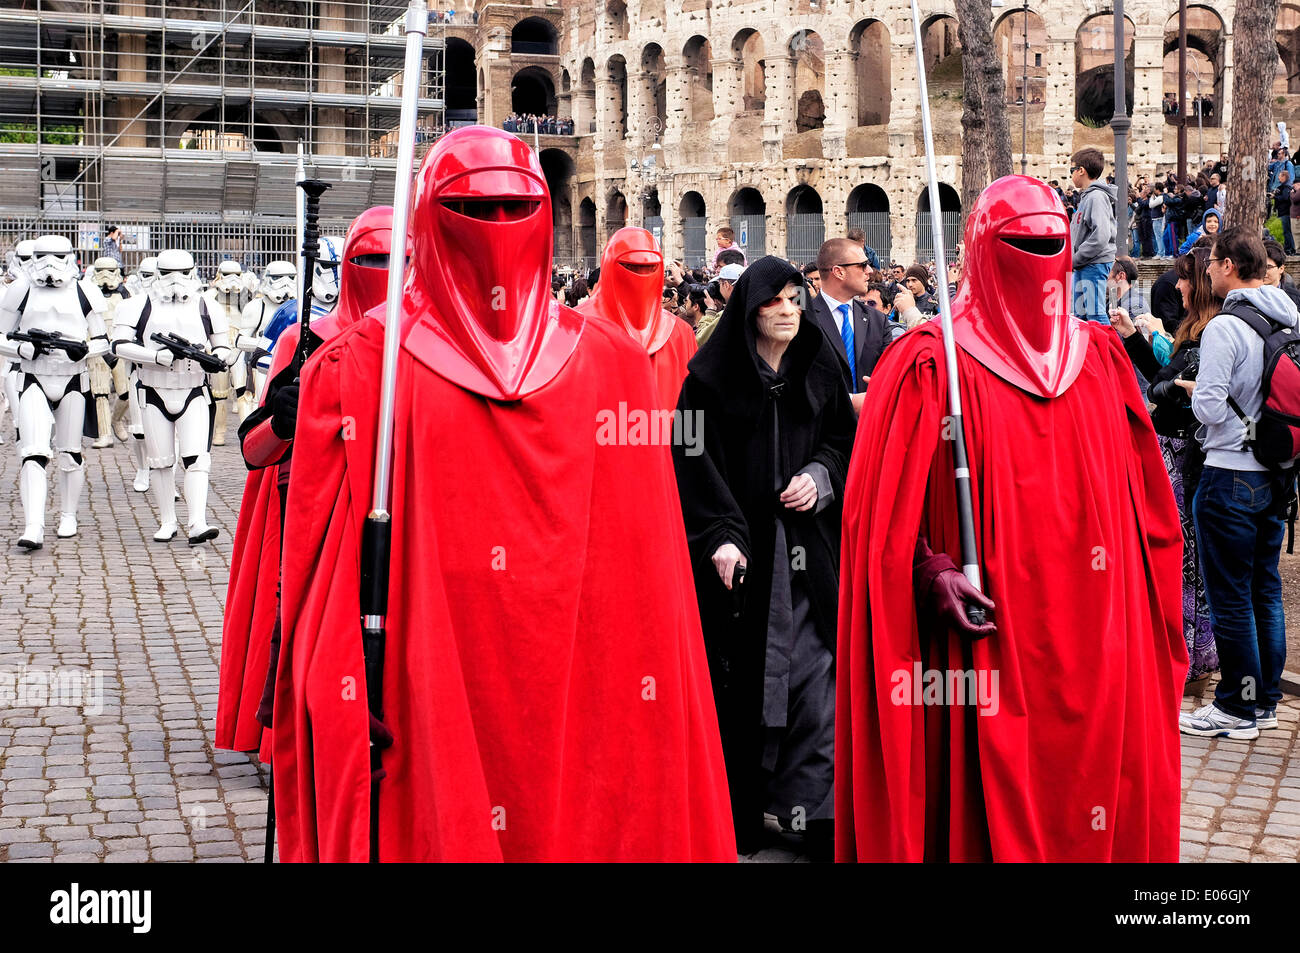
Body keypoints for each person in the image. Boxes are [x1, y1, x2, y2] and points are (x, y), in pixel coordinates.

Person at [271, 126, 735, 862]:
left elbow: (645, 570)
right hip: (425, 670)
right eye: (473, 211)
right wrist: (341, 681)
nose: (495, 230)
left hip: (585, 676)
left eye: (513, 209)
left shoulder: (609, 365)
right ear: (432, 216)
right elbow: (321, 573)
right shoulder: (363, 365)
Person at [837, 175, 1186, 862]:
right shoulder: (927, 366)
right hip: (981, 643)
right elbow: (875, 524)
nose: (1037, 258)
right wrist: (928, 568)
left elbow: (1151, 519)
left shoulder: (1102, 363)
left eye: (1049, 244)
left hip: (1095, 645)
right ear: (979, 250)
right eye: (1020, 243)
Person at [672, 255, 855, 858]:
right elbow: (693, 462)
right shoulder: (707, 380)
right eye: (774, 301)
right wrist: (722, 532)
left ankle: (813, 812)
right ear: (749, 311)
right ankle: (743, 809)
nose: (788, 310)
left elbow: (839, 441)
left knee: (814, 674)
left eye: (795, 298)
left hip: (811, 552)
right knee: (747, 680)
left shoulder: (821, 363)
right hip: (745, 560)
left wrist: (820, 475)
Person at [217, 206, 394, 760]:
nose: (386, 269)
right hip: (311, 514)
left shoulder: (425, 343)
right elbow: (253, 449)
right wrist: (285, 417)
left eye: (400, 259)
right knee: (301, 635)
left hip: (395, 513)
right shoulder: (306, 338)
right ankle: (292, 741)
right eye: (372, 259)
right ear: (346, 266)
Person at [1180, 226, 1298, 740]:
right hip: (1276, 474)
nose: (1206, 270)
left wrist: (1190, 390)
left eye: (1211, 262)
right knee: (1263, 589)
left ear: (1229, 265)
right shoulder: (1287, 317)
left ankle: (1235, 708)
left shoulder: (1227, 327)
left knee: (1230, 596)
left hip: (1230, 472)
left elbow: (1208, 404)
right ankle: (1264, 701)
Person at [1111, 247, 1222, 685]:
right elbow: (1162, 376)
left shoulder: (1208, 333)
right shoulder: (1192, 329)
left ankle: (1192, 653)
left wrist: (1166, 387)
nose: (1177, 286)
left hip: (1183, 455)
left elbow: (1167, 389)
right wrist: (1133, 339)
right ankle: (1194, 650)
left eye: (1183, 279)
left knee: (1185, 554)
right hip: (1173, 451)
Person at [111, 249, 233, 545]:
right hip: (153, 388)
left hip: (193, 388)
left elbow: (224, 347)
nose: (175, 281)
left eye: (182, 273)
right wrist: (155, 356)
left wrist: (214, 358)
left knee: (197, 459)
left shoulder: (207, 306)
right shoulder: (137, 305)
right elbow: (118, 345)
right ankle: (168, 520)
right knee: (161, 461)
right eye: (167, 274)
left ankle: (197, 521)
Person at [0, 235, 111, 548]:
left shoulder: (84, 290)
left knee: (70, 453)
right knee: (33, 452)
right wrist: (22, 348)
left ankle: (68, 514)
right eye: (43, 256)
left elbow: (104, 339)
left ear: (70, 257)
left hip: (73, 378)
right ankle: (33, 524)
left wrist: (85, 351)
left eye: (56, 257)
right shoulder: (21, 289)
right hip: (33, 376)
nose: (49, 265)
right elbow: (0, 333)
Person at [579, 226, 697, 411]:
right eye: (630, 267)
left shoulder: (681, 333)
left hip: (662, 434)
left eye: (650, 268)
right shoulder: (576, 327)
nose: (641, 275)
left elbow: (692, 409)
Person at [806, 238, 891, 414]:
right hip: (821, 431)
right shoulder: (805, 319)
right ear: (838, 272)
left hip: (869, 428)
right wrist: (850, 401)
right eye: (862, 265)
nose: (869, 271)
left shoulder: (877, 321)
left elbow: (890, 374)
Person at [1069, 147, 1117, 323]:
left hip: (1093, 263)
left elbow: (1101, 236)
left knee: (1095, 314)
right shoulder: (1087, 197)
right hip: (1085, 263)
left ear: (1081, 171)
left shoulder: (1096, 197)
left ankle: (1107, 350)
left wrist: (1076, 258)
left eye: (1071, 170)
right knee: (1081, 315)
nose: (1071, 175)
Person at [204, 260, 248, 446]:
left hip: (239, 346)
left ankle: (247, 431)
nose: (232, 280)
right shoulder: (208, 297)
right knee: (219, 394)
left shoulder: (246, 295)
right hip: (217, 347)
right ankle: (219, 432)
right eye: (228, 274)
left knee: (243, 392)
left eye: (236, 275)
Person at [695, 262, 742, 344]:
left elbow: (700, 340)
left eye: (720, 284)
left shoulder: (727, 314)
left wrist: (710, 311)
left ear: (726, 285)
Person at [1263, 238, 1300, 310]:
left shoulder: (1295, 297)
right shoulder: (1251, 295)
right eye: (1261, 267)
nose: (1263, 271)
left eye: (1268, 267)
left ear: (1281, 269)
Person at [1277, 171, 1297, 256]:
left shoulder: (1286, 187)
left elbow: (1285, 197)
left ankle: (1290, 249)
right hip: (1285, 211)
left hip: (1285, 212)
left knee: (1287, 231)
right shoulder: (1284, 186)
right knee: (1287, 231)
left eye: (1280, 176)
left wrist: (1275, 196)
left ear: (1284, 177)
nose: (1278, 178)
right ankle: (1289, 247)